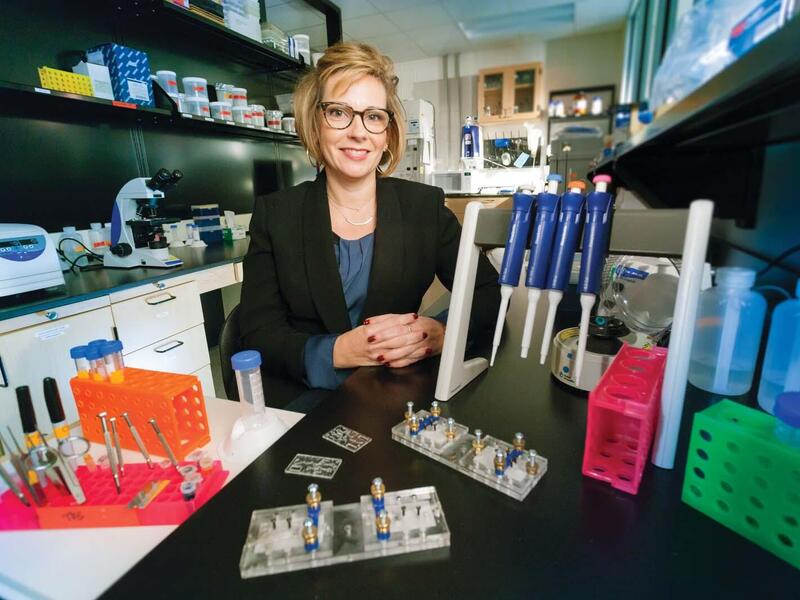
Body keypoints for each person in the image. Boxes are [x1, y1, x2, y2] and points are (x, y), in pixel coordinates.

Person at [239, 41, 499, 398]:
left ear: (388, 132)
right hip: (307, 399)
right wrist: (337, 351)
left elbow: (488, 292)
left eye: (374, 116)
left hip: (398, 395)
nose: (358, 132)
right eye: (339, 112)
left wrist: (442, 332)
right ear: (316, 122)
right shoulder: (276, 214)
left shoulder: (423, 206)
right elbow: (257, 332)